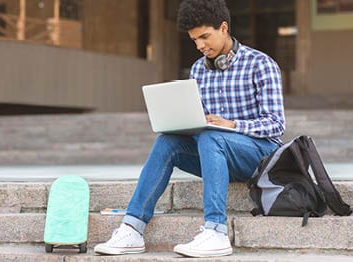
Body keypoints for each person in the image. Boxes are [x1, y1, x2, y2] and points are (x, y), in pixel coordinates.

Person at [94, 0, 285, 258]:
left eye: (205, 37)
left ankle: (216, 232)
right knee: (168, 142)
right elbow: (200, 122)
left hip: (260, 156)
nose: (200, 46)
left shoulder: (261, 64)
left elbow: (276, 124)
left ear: (224, 28)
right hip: (217, 152)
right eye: (195, 40)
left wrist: (233, 125)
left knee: (211, 136)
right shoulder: (198, 70)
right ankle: (132, 228)